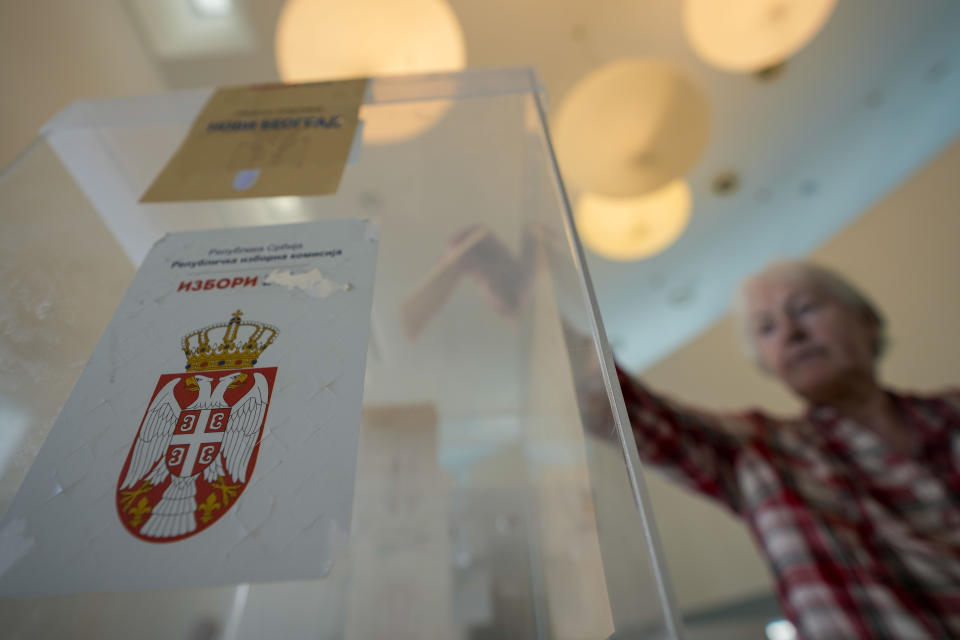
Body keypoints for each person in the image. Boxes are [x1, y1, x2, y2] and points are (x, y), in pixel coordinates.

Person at [613, 261, 960, 639]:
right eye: (767, 328)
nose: (792, 334)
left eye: (805, 308)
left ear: (867, 323)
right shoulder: (759, 450)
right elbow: (625, 410)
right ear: (765, 362)